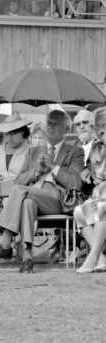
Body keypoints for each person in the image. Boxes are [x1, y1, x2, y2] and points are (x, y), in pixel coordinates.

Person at [0, 110, 84, 273]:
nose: (51, 127)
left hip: (55, 199)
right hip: (31, 195)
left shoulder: (75, 151)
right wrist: (36, 171)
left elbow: (75, 184)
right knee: (27, 203)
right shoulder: (34, 151)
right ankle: (27, 257)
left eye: (56, 123)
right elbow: (19, 181)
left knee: (20, 192)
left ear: (66, 129)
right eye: (49, 123)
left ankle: (5, 241)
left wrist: (53, 166)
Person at [74, 107, 106, 273]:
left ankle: (92, 257)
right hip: (101, 196)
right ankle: (100, 257)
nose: (102, 131)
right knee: (80, 211)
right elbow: (92, 171)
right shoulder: (96, 148)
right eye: (100, 128)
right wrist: (86, 172)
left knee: (102, 207)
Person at [0, 113, 31, 197]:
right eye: (7, 134)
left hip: (20, 197)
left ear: (23, 132)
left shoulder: (30, 152)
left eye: (13, 134)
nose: (10, 138)